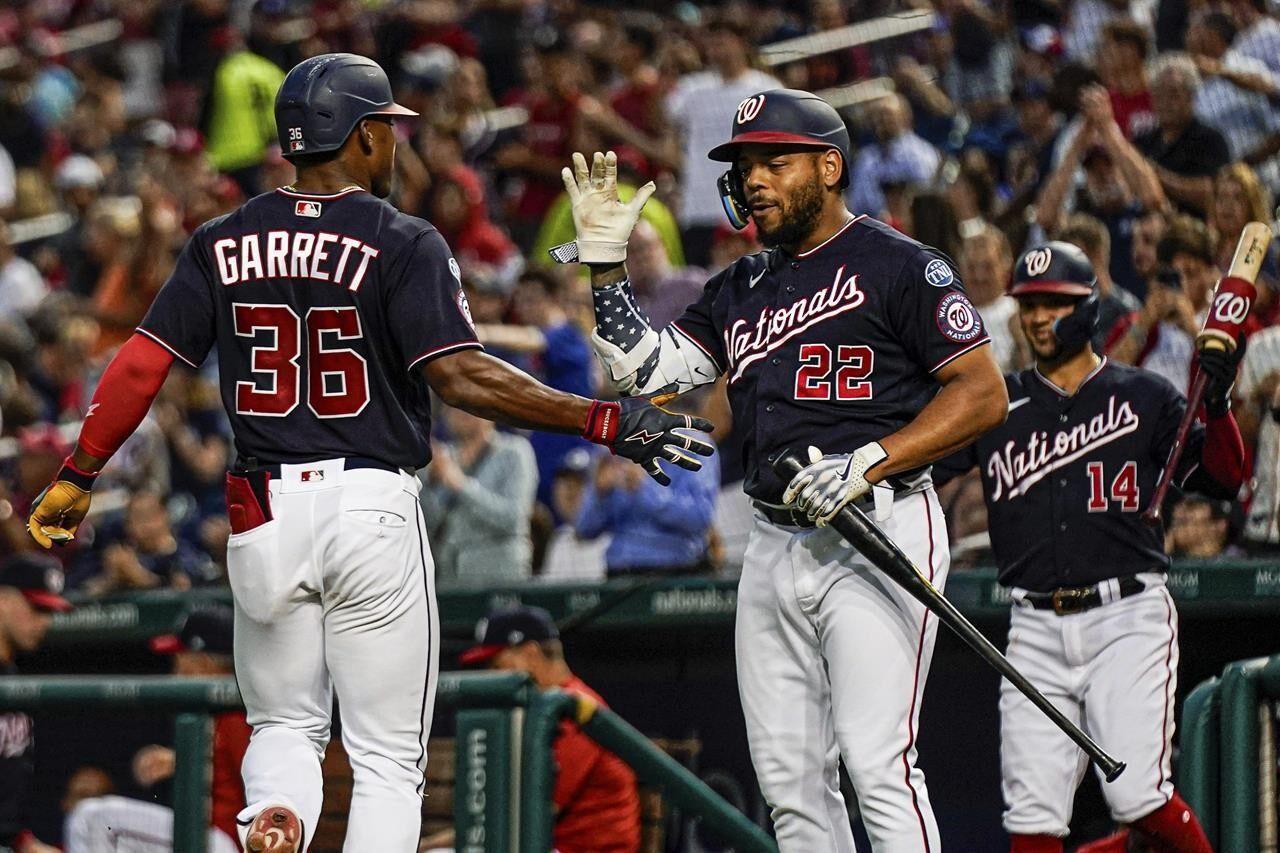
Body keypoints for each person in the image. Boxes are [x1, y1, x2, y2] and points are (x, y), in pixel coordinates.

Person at [25, 53, 712, 853]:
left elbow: (140, 363)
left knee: (283, 722)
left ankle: (276, 811)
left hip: (263, 512)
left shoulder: (222, 238)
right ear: (352, 135)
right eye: (385, 128)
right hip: (368, 504)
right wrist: (599, 419)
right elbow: (458, 374)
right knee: (387, 758)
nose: (393, 144)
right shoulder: (399, 237)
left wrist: (79, 475)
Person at [555, 87, 1008, 849]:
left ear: (829, 166)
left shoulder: (901, 264)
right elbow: (646, 371)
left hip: (880, 525)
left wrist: (872, 460)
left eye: (775, 160)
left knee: (878, 762)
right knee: (790, 782)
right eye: (745, 164)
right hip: (773, 542)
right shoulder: (738, 285)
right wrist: (605, 271)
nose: (755, 178)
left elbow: (984, 392)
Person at [934, 241, 1243, 853]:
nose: (1039, 317)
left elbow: (1224, 477)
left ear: (1089, 308)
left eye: (1056, 303)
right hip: (1033, 626)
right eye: (1030, 304)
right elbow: (924, 460)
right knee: (1033, 818)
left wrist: (1217, 403)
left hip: (1126, 615)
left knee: (1137, 796)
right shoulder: (999, 401)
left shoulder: (1144, 397)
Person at [456, 606, 641, 852]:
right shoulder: (543, 705)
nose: (491, 674)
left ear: (531, 653)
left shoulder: (575, 707)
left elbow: (534, 809)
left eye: (496, 662)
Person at [64, 606, 247, 853]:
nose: (174, 674)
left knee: (91, 818)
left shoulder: (238, 714)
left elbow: (259, 792)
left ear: (202, 664)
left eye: (179, 662)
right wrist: (179, 761)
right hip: (207, 837)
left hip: (227, 843)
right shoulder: (215, 713)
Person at [0, 552, 73, 853]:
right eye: (35, 609)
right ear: (2, 599)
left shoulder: (15, 677)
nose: (44, 623)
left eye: (49, 613)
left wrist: (23, 842)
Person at [421, 405, 538, 585]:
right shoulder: (444, 458)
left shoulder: (514, 451)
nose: (460, 411)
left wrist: (460, 484)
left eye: (468, 404)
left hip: (499, 577)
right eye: (453, 405)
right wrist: (426, 482)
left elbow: (513, 518)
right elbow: (429, 521)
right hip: (451, 577)